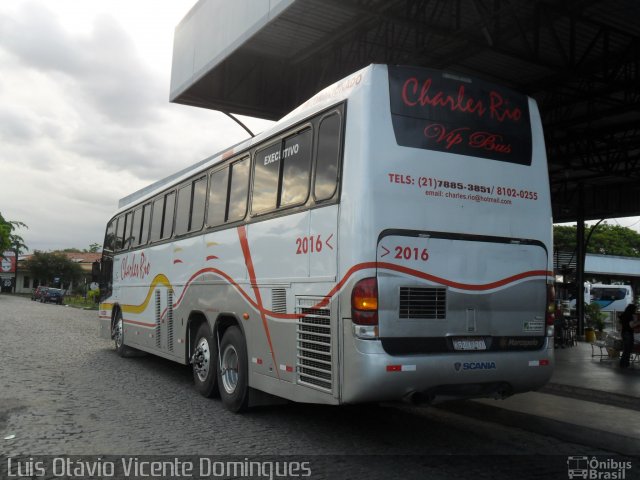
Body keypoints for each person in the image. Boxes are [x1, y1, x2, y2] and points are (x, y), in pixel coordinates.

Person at [618, 303, 637, 368]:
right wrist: (637, 322)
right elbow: (631, 325)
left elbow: (620, 325)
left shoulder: (623, 315)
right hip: (628, 333)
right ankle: (625, 364)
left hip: (624, 333)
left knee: (625, 349)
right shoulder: (630, 316)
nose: (636, 311)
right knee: (628, 350)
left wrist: (620, 333)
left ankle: (623, 363)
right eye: (635, 309)